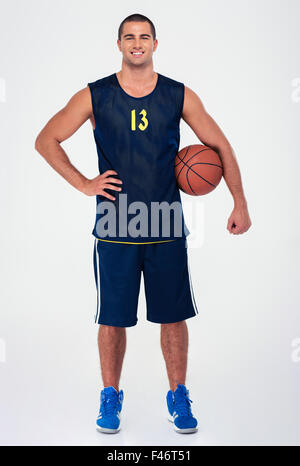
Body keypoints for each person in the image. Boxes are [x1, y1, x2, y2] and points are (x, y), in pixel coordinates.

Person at [34, 13, 252, 435]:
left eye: (144, 37)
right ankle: (110, 396)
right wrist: (83, 183)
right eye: (129, 37)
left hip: (166, 225)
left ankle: (179, 394)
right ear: (118, 44)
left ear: (155, 43)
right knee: (113, 319)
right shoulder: (94, 95)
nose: (137, 43)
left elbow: (220, 144)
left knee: (173, 316)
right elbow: (46, 139)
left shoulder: (178, 94)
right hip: (115, 226)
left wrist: (238, 200)